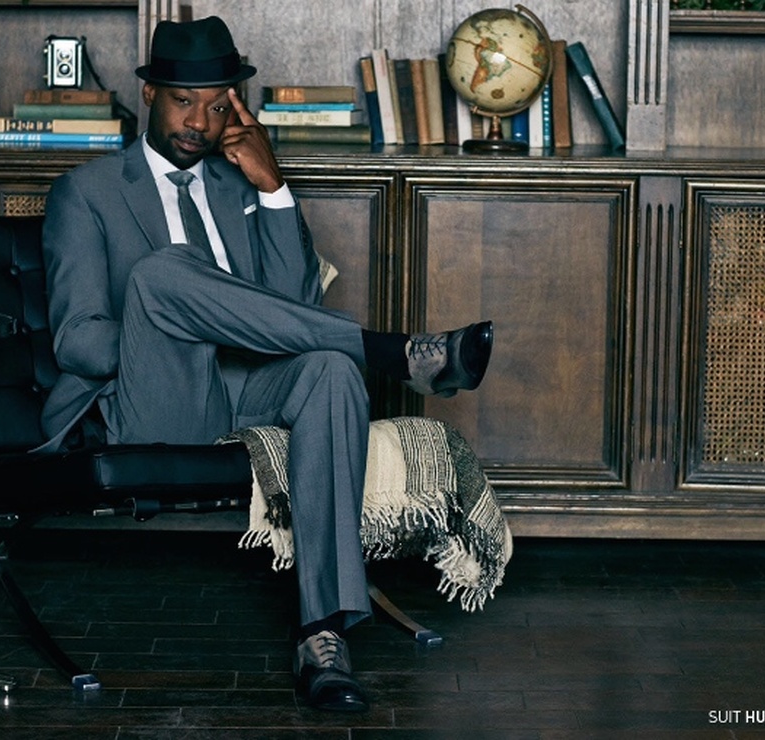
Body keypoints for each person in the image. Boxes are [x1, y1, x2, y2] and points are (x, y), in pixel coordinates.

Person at [39, 16, 493, 712]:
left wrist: (274, 187)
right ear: (150, 94)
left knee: (329, 370)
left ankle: (322, 633)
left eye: (217, 105)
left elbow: (295, 311)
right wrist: (171, 327)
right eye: (183, 102)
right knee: (162, 275)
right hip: (156, 398)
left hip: (248, 387)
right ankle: (393, 353)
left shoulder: (237, 187)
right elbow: (75, 340)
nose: (199, 122)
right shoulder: (87, 192)